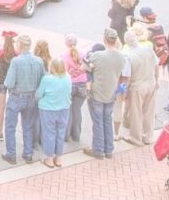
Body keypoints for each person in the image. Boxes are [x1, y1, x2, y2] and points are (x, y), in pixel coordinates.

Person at [83, 29, 126, 160]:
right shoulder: (122, 56)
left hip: (97, 93)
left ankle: (99, 150)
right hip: (111, 92)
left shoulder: (97, 56)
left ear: (105, 40)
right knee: (107, 121)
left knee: (98, 122)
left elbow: (84, 67)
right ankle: (109, 150)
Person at [2, 35, 45, 165]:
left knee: (10, 126)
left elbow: (9, 83)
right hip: (32, 97)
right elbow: (43, 80)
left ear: (20, 46)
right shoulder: (39, 61)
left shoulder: (16, 61)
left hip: (17, 96)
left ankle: (11, 154)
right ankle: (28, 153)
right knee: (28, 126)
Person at [123, 31, 159, 146]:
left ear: (126, 42)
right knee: (149, 111)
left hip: (137, 86)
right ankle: (148, 136)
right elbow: (156, 65)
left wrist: (125, 91)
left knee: (136, 113)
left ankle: (136, 138)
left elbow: (127, 77)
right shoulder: (148, 49)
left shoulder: (128, 56)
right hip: (151, 82)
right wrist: (157, 80)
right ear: (136, 38)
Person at [36, 58, 71, 168]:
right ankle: (59, 158)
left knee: (49, 133)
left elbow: (39, 94)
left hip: (48, 109)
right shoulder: (68, 77)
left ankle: (49, 158)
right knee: (60, 133)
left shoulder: (47, 79)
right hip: (64, 109)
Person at [62, 34, 88, 143]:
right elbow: (87, 68)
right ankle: (76, 135)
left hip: (70, 85)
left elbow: (63, 72)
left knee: (68, 111)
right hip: (82, 85)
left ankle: (66, 135)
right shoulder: (82, 54)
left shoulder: (63, 56)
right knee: (77, 110)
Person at [0, 32, 16, 141]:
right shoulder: (16, 55)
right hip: (12, 82)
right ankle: (10, 130)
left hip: (0, 81)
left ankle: (0, 131)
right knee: (11, 107)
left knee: (1, 107)